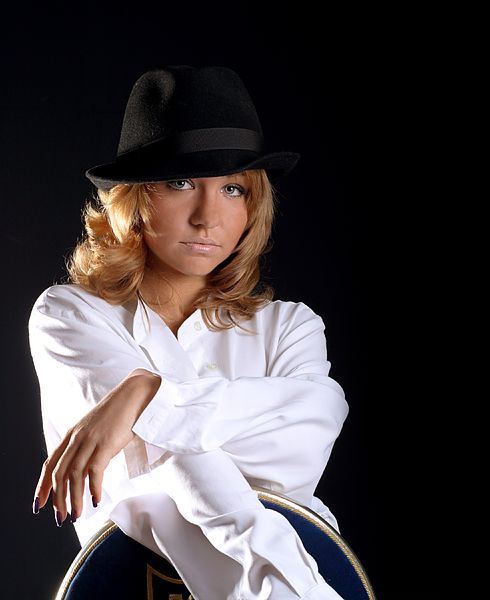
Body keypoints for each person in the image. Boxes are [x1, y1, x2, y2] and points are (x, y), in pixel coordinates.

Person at [27, 65, 349, 600]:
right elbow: (154, 471)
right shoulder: (71, 316)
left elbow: (311, 431)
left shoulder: (289, 327)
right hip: (130, 585)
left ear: (254, 205)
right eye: (179, 183)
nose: (207, 216)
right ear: (132, 198)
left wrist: (142, 396)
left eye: (232, 188)